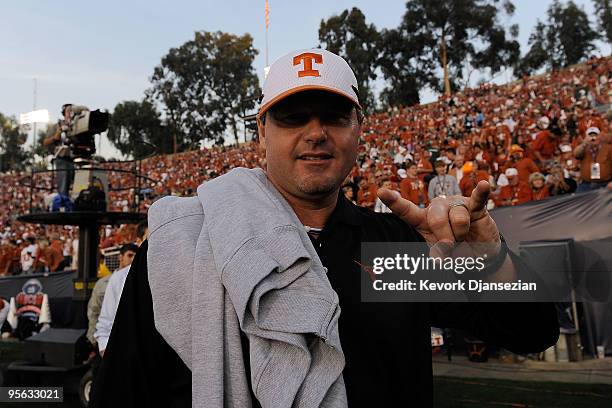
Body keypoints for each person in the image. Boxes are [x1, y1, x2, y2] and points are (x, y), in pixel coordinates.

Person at [90, 49, 558, 408]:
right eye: (293, 117)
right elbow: (123, 392)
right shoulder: (186, 246)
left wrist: (490, 256)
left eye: (333, 116)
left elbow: (532, 332)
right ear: (262, 132)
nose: (315, 132)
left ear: (359, 129)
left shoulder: (391, 246)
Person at [95, 222, 147, 356]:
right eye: (150, 240)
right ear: (139, 242)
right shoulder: (119, 279)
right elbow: (106, 320)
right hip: (128, 355)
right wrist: (104, 348)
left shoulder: (178, 275)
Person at [86, 243, 138, 349]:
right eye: (129, 255)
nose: (132, 259)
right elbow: (93, 311)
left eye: (135, 257)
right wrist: (96, 341)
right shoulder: (102, 283)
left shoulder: (137, 283)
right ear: (120, 257)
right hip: (104, 339)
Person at [574, 126, 611, 192]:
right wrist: (584, 143)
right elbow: (576, 154)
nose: (593, 138)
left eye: (595, 135)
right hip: (586, 185)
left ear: (600, 136)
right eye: (590, 136)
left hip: (604, 184)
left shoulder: (608, 148)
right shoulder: (583, 148)